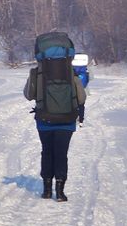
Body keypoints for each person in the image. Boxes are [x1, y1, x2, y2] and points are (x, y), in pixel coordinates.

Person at [24, 33, 88, 202]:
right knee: (61, 153)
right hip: (67, 120)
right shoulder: (71, 74)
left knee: (47, 152)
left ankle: (46, 190)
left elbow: (29, 95)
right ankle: (59, 192)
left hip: (44, 120)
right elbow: (81, 98)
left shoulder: (37, 73)